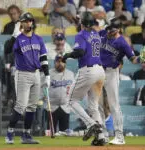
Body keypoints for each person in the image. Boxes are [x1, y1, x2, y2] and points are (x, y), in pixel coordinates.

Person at [5, 12, 50, 144]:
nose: (29, 23)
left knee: (32, 107)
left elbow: (43, 58)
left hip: (36, 74)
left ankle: (26, 135)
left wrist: (47, 75)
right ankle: (10, 133)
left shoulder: (38, 39)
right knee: (21, 106)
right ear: (21, 23)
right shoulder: (18, 38)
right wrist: (13, 36)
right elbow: (7, 49)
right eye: (26, 21)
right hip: (22, 74)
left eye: (30, 20)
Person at [98, 17, 145, 145]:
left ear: (118, 29)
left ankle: (119, 136)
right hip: (98, 71)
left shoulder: (122, 42)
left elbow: (133, 59)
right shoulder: (103, 33)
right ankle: (102, 135)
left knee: (114, 105)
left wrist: (142, 57)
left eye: (112, 30)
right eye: (108, 29)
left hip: (112, 73)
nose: (109, 32)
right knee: (98, 105)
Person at [62, 12, 106, 146]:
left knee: (70, 100)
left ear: (82, 23)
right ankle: (101, 137)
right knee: (93, 107)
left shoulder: (81, 35)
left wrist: (66, 55)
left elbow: (79, 52)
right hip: (100, 71)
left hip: (88, 70)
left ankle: (91, 124)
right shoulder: (96, 34)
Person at [43, 54, 74, 133]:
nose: (60, 63)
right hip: (52, 107)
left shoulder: (71, 74)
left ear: (65, 63)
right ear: (54, 62)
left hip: (65, 107)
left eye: (62, 61)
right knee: (50, 132)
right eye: (58, 61)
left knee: (64, 133)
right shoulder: (48, 74)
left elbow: (73, 89)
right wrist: (44, 98)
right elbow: (42, 88)